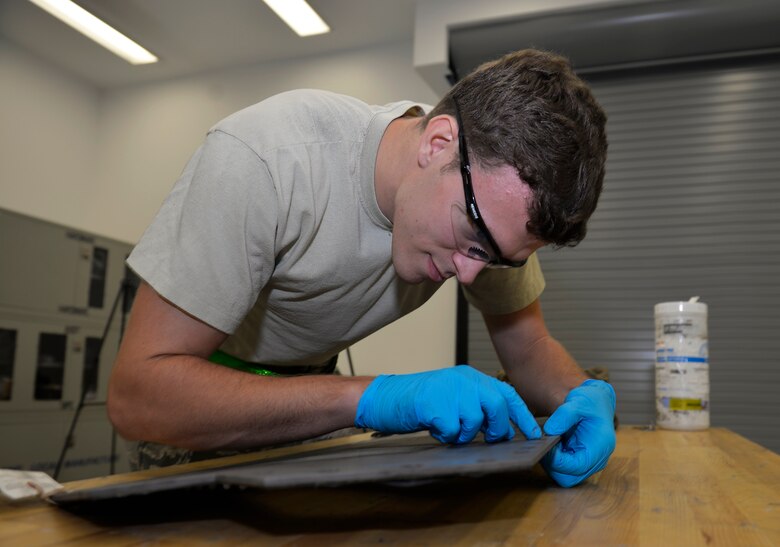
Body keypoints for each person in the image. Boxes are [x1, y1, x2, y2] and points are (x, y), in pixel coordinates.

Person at [107, 49, 615, 487]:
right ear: (437, 143)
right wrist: (373, 396)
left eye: (499, 258)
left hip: (313, 400)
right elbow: (138, 396)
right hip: (199, 404)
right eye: (474, 237)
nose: (469, 274)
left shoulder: (494, 210)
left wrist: (582, 397)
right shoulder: (268, 160)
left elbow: (527, 347)